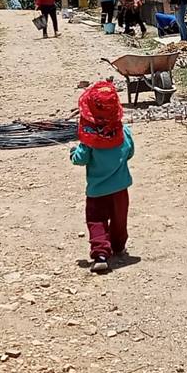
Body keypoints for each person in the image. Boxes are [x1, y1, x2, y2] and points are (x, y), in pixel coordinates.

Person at [70, 81, 135, 273]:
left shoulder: (89, 139)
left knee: (96, 219)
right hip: (121, 188)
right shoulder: (124, 132)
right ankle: (119, 247)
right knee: (119, 219)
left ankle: (100, 253)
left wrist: (73, 153)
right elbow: (130, 152)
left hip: (97, 190)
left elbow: (80, 160)